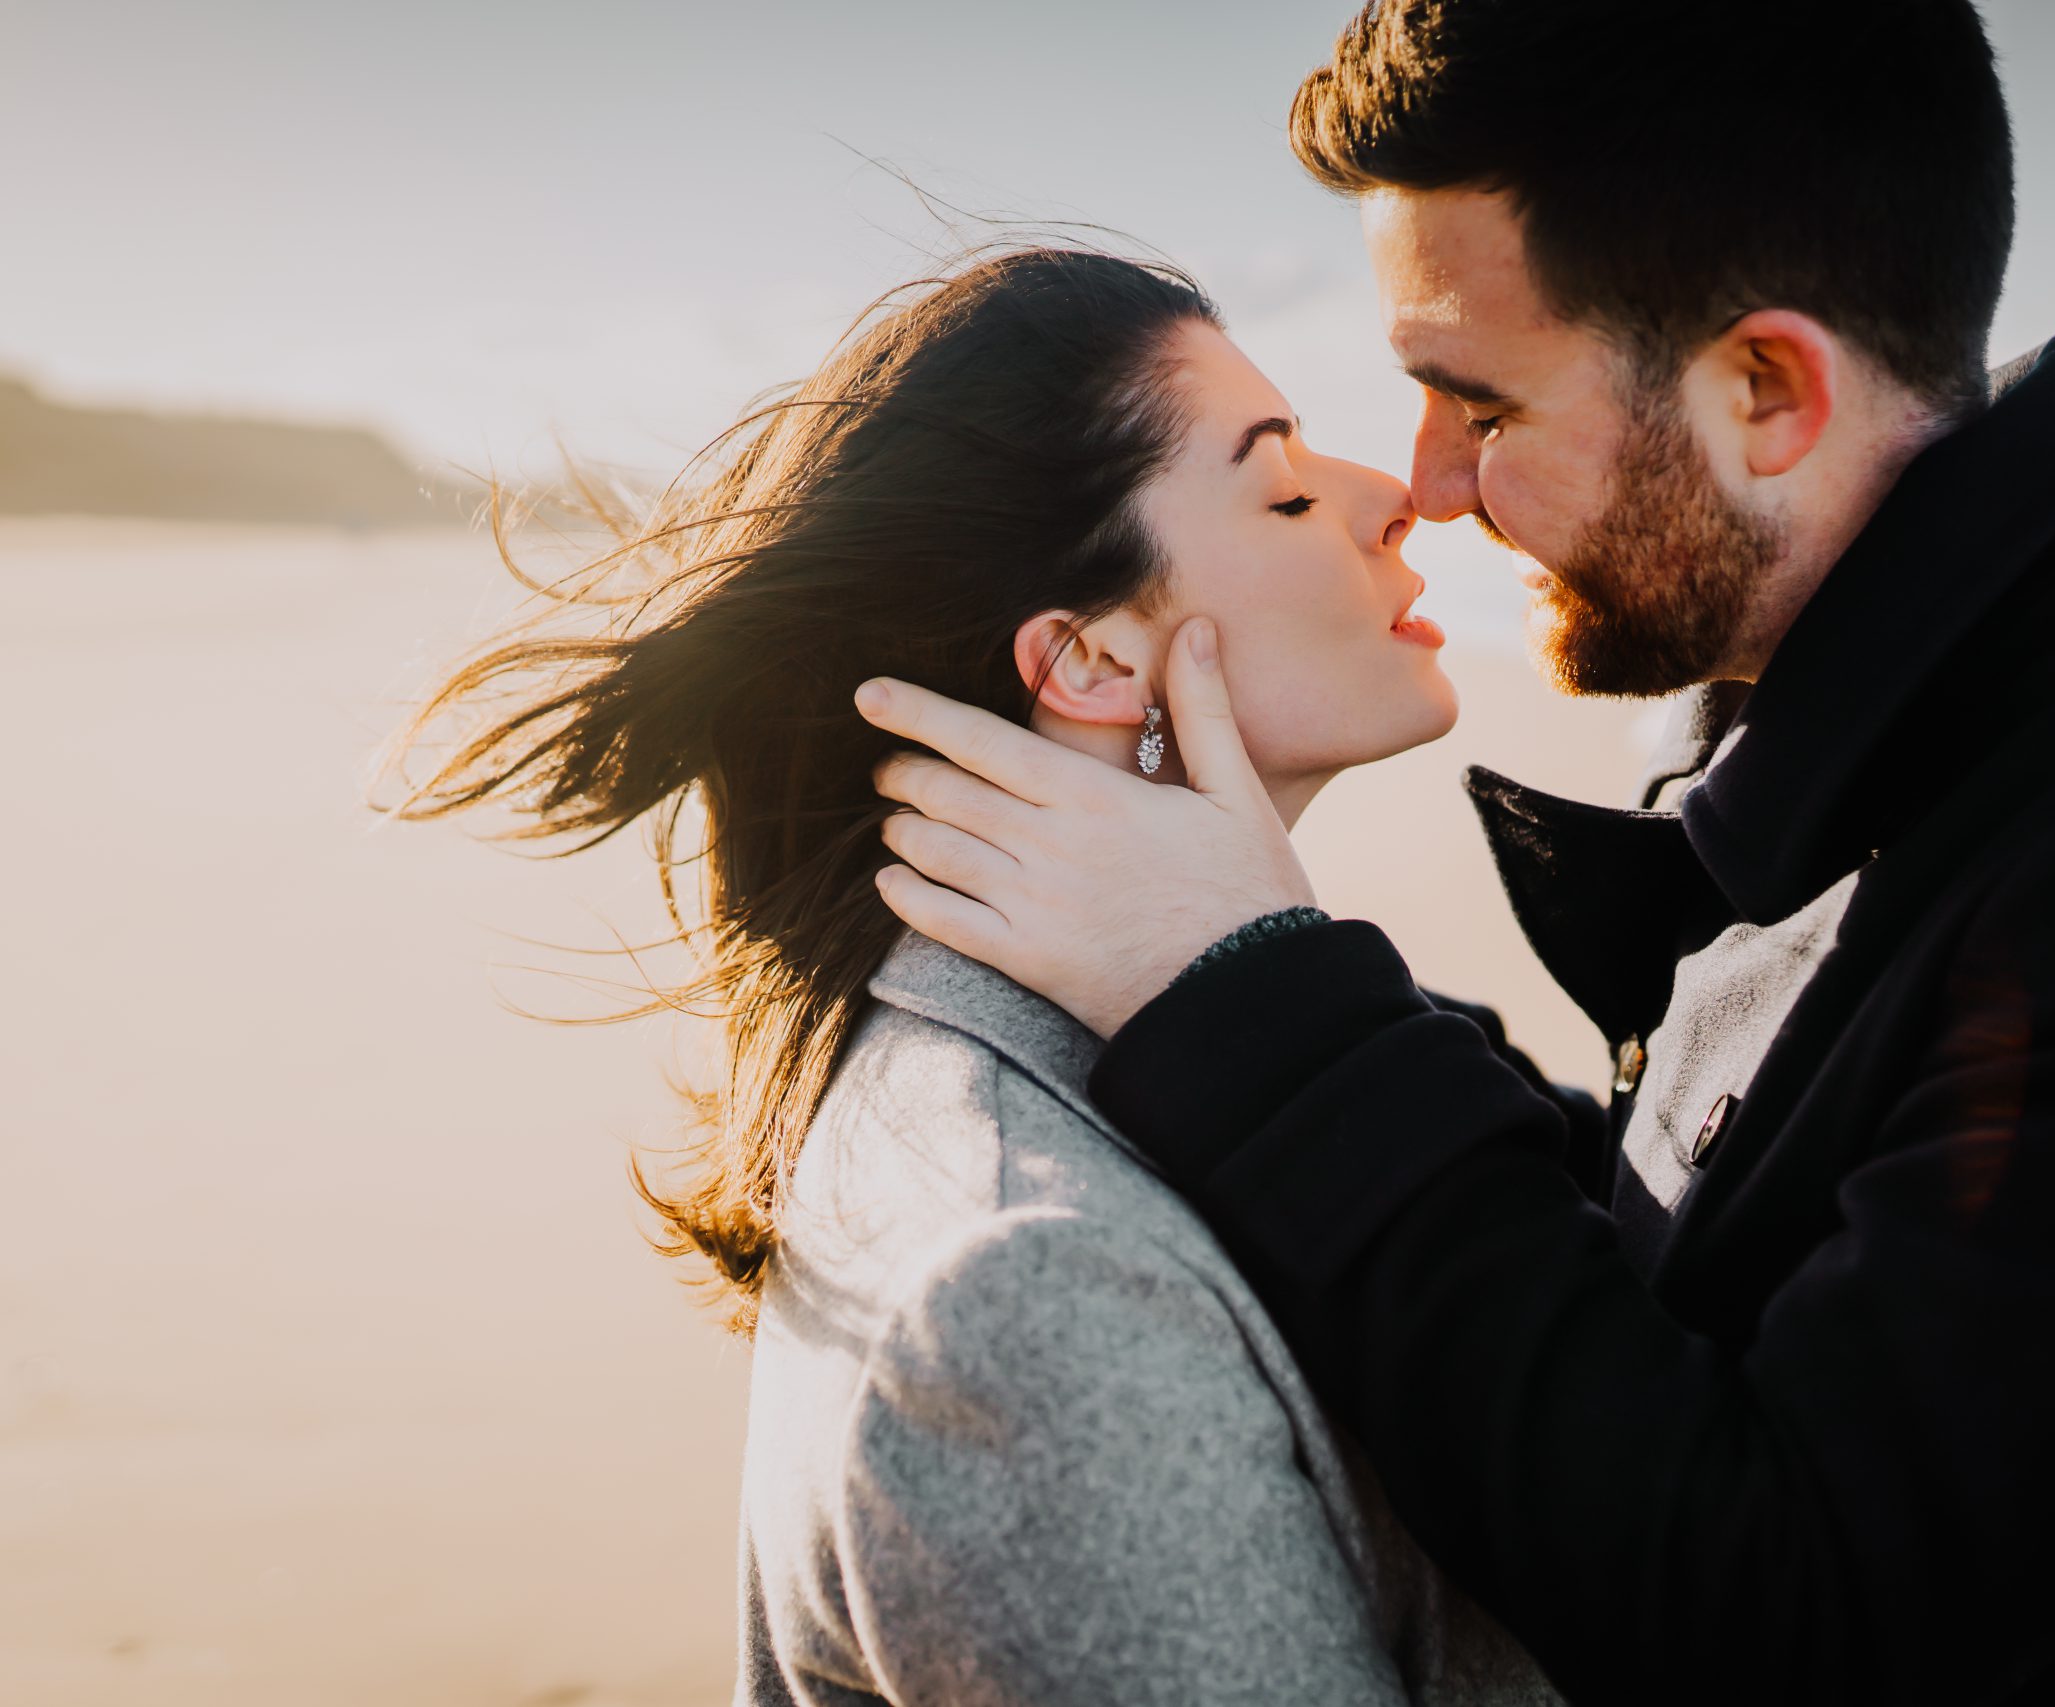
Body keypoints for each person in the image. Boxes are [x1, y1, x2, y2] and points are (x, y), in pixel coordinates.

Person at [853, 4, 2055, 1703]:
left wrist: (1259, 1006)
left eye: (1477, 401)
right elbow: (1733, 1248)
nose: (1430, 483)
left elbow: (1797, 1623)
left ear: (1765, 390)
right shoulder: (1797, 685)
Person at [381, 247, 1562, 1706]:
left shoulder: (1182, 1065)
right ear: (1085, 661)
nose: (1393, 496)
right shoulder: (1034, 1287)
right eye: (1285, 487)